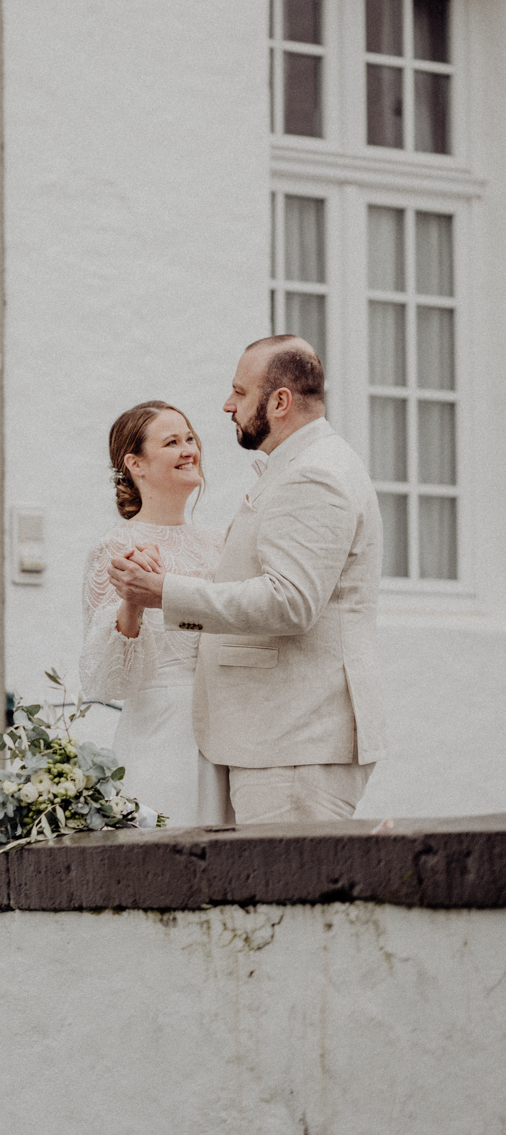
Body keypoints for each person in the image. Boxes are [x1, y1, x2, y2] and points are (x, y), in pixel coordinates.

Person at [108, 336, 387, 826]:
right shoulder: (304, 466)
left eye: (240, 392)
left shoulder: (312, 475)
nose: (227, 405)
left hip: (296, 744)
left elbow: (290, 601)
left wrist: (164, 592)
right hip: (272, 741)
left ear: (278, 402)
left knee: (288, 897)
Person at [79, 401, 231, 827]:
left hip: (226, 731)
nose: (189, 450)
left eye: (189, 439)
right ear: (136, 464)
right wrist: (133, 599)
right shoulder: (115, 547)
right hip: (159, 734)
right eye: (171, 442)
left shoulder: (221, 544)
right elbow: (109, 677)